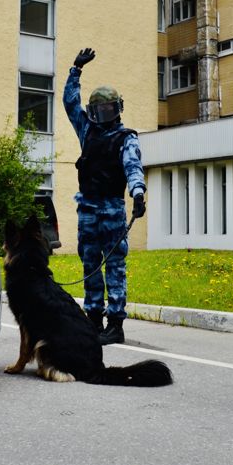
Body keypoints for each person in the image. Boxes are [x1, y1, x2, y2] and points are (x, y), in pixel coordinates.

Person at [63, 47, 146, 345]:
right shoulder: (87, 130)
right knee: (89, 263)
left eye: (109, 111)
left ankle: (115, 325)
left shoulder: (127, 138)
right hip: (87, 208)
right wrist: (76, 70)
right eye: (99, 112)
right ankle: (93, 319)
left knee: (114, 265)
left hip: (111, 209)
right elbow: (70, 103)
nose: (103, 116)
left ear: (118, 109)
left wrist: (137, 193)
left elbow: (133, 167)